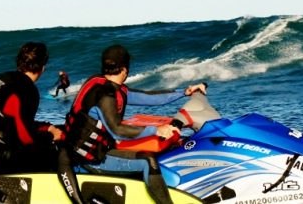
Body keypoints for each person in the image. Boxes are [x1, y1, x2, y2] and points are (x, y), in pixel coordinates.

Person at [58, 44, 206, 204]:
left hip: (79, 150)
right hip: (89, 160)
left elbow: (147, 97)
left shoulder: (99, 82)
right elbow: (117, 131)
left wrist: (183, 92)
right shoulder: (106, 96)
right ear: (124, 69)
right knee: (148, 161)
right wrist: (156, 130)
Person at [0, 41, 64, 174]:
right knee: (60, 146)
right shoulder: (27, 89)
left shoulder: (2, 78)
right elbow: (25, 136)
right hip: (10, 162)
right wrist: (52, 139)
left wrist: (49, 128)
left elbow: (14, 121)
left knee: (53, 133)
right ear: (42, 67)